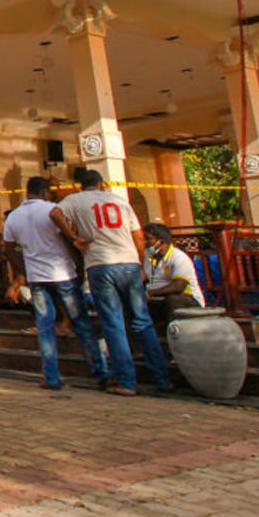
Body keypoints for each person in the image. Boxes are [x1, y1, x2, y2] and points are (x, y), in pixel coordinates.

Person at [52, 169, 171, 397]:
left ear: (80, 185)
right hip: (128, 263)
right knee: (142, 321)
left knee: (113, 323)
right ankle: (162, 379)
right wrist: (139, 263)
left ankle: (126, 381)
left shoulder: (75, 200)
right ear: (101, 184)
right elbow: (138, 236)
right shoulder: (119, 201)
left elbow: (56, 213)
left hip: (100, 264)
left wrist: (73, 237)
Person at [2, 177, 108, 391]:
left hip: (37, 277)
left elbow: (11, 249)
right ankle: (101, 373)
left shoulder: (14, 217)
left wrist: (23, 269)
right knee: (81, 324)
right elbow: (70, 241)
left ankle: (51, 377)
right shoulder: (53, 210)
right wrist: (78, 267)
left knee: (45, 327)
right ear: (45, 193)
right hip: (62, 273)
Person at [143, 222, 205, 322]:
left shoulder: (179, 258)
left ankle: (177, 333)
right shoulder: (148, 255)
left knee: (173, 299)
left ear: (160, 242)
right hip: (157, 301)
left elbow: (178, 286)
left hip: (187, 301)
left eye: (148, 239)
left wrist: (150, 293)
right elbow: (142, 275)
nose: (145, 242)